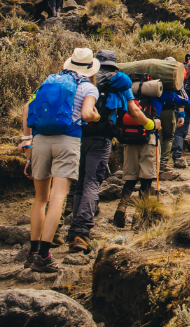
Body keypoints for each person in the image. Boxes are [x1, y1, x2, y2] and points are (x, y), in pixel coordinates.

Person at [19, 47, 101, 272]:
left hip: (41, 140)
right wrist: (96, 114)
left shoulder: (50, 81)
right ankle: (45, 256)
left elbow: (27, 108)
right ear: (89, 67)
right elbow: (86, 114)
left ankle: (32, 251)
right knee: (58, 197)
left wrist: (28, 143)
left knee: (40, 199)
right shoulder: (88, 86)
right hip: (67, 140)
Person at [67, 49, 145, 250]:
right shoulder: (119, 82)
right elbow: (134, 111)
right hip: (101, 138)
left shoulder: (83, 79)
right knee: (92, 183)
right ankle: (82, 233)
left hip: (76, 136)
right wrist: (150, 124)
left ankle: (73, 232)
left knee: (79, 184)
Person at [112, 85, 166, 229]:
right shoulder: (154, 94)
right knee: (146, 179)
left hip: (129, 138)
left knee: (130, 177)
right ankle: (139, 215)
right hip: (148, 138)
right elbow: (158, 119)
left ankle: (122, 207)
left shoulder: (126, 94)